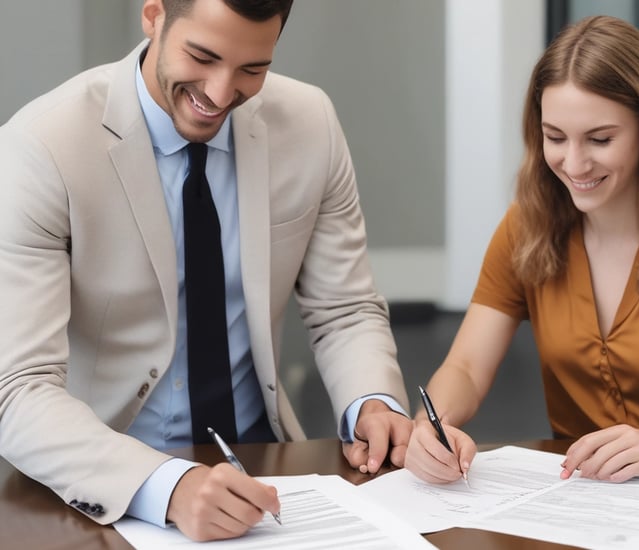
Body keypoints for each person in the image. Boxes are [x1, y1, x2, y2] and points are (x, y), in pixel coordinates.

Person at [0, 0, 412, 542]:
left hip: (269, 471)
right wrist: (168, 486)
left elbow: (345, 311)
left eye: (252, 70)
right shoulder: (41, 146)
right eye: (202, 56)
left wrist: (373, 403)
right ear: (153, 16)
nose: (220, 94)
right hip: (110, 479)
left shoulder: (311, 123)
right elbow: (19, 387)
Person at [404, 15, 639, 487]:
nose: (573, 164)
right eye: (555, 137)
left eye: (599, 139)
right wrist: (431, 428)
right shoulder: (525, 229)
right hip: (585, 504)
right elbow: (466, 368)